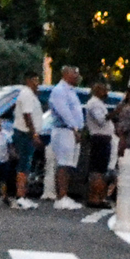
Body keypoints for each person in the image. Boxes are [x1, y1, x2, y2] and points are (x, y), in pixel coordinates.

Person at [46, 66, 85, 208]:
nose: (77, 76)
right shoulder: (59, 91)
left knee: (68, 164)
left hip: (71, 131)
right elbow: (64, 112)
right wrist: (74, 128)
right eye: (75, 73)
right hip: (64, 131)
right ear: (66, 74)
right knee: (63, 164)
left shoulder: (70, 91)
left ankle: (65, 195)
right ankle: (61, 197)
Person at [8, 71, 46, 209]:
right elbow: (27, 115)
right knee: (23, 165)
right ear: (28, 80)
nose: (37, 83)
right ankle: (20, 196)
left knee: (26, 164)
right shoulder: (27, 94)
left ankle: (23, 194)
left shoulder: (30, 95)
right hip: (24, 133)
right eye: (34, 80)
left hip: (26, 133)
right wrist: (34, 134)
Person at [81, 78, 117, 208]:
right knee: (98, 170)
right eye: (104, 90)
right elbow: (101, 120)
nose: (106, 93)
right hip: (99, 139)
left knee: (101, 169)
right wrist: (115, 113)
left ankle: (100, 197)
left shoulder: (99, 103)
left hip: (104, 139)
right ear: (98, 90)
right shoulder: (94, 104)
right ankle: (95, 197)